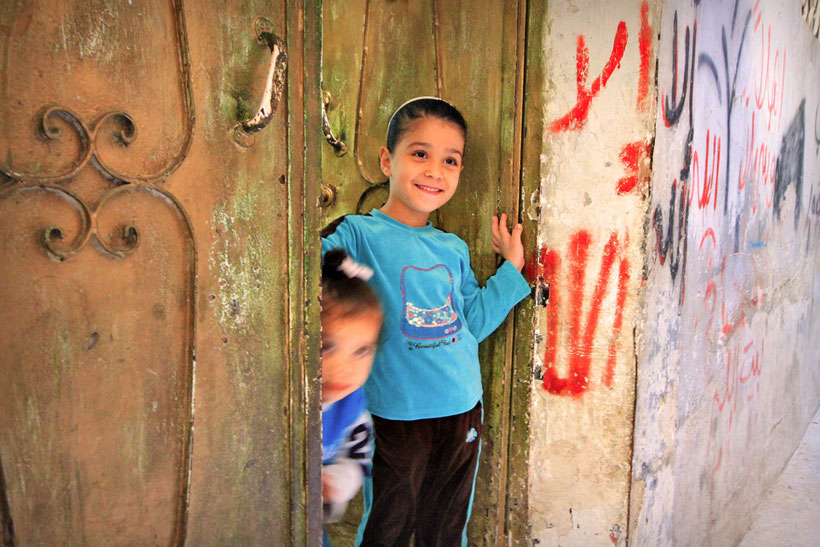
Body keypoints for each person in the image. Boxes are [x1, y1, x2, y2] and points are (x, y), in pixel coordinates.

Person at [321, 96, 530, 546]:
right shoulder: (358, 235)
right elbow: (302, 268)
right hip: (397, 415)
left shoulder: (451, 247)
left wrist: (512, 268)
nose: (435, 171)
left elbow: (472, 319)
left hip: (462, 408)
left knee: (447, 526)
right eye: (420, 154)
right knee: (389, 525)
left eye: (450, 160)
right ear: (386, 160)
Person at [321, 249, 383, 547]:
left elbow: (357, 459)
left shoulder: (352, 404)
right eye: (326, 348)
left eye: (361, 351)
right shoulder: (275, 395)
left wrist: (334, 484)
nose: (342, 368)